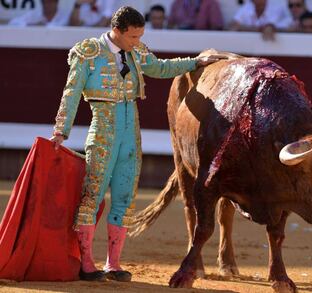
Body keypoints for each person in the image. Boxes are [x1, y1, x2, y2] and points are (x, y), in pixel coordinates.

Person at [50, 6, 221, 282]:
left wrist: (195, 62)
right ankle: (86, 263)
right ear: (117, 31)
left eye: (140, 36)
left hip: (131, 133)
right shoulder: (88, 53)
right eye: (133, 37)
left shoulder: (137, 52)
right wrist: (61, 131)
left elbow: (161, 68)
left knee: (124, 198)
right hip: (103, 131)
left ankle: (113, 263)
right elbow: (70, 93)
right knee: (92, 197)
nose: (138, 41)